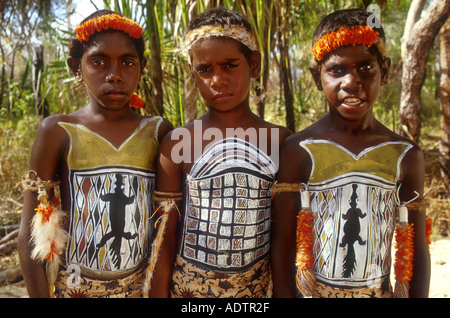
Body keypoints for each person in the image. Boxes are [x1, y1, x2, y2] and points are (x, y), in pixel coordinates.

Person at [271, 8, 431, 298]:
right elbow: (283, 245)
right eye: (336, 70)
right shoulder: (298, 150)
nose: (350, 82)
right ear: (317, 78)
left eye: (365, 68)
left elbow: (417, 249)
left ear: (385, 71)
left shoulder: (406, 155)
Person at [17, 10, 173, 298]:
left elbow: (166, 224)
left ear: (142, 66)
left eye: (128, 62)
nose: (115, 75)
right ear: (76, 68)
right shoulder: (58, 130)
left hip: (139, 289)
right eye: (99, 62)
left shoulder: (158, 131)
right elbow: (30, 235)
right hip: (74, 287)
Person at [149, 7, 291, 298]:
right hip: (189, 293)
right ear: (193, 72)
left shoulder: (280, 141)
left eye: (229, 65)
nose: (217, 80)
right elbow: (164, 238)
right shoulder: (178, 143)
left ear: (254, 65)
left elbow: (284, 240)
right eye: (205, 69)